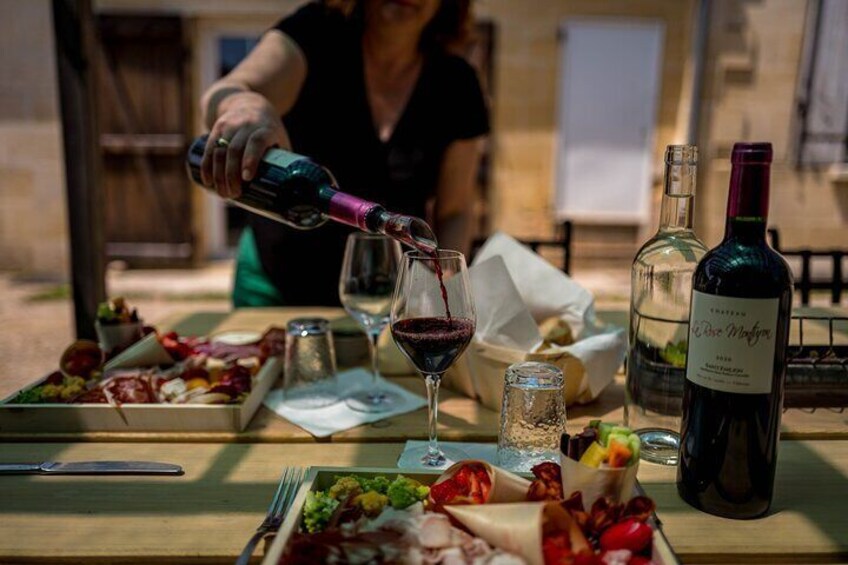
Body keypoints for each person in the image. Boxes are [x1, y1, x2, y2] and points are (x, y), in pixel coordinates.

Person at [200, 0, 490, 306]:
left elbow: (454, 211)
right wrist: (246, 107)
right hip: (275, 280)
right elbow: (228, 91)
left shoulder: (456, 84)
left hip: (389, 296)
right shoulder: (315, 32)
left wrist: (443, 280)